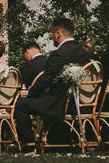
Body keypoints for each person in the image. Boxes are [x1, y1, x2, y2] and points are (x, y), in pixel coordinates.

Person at [13, 17, 87, 152]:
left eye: (53, 33)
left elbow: (46, 79)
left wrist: (30, 93)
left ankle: (29, 145)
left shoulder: (58, 54)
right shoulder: (84, 53)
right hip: (82, 104)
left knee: (21, 105)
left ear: (58, 33)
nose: (53, 37)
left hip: (59, 103)